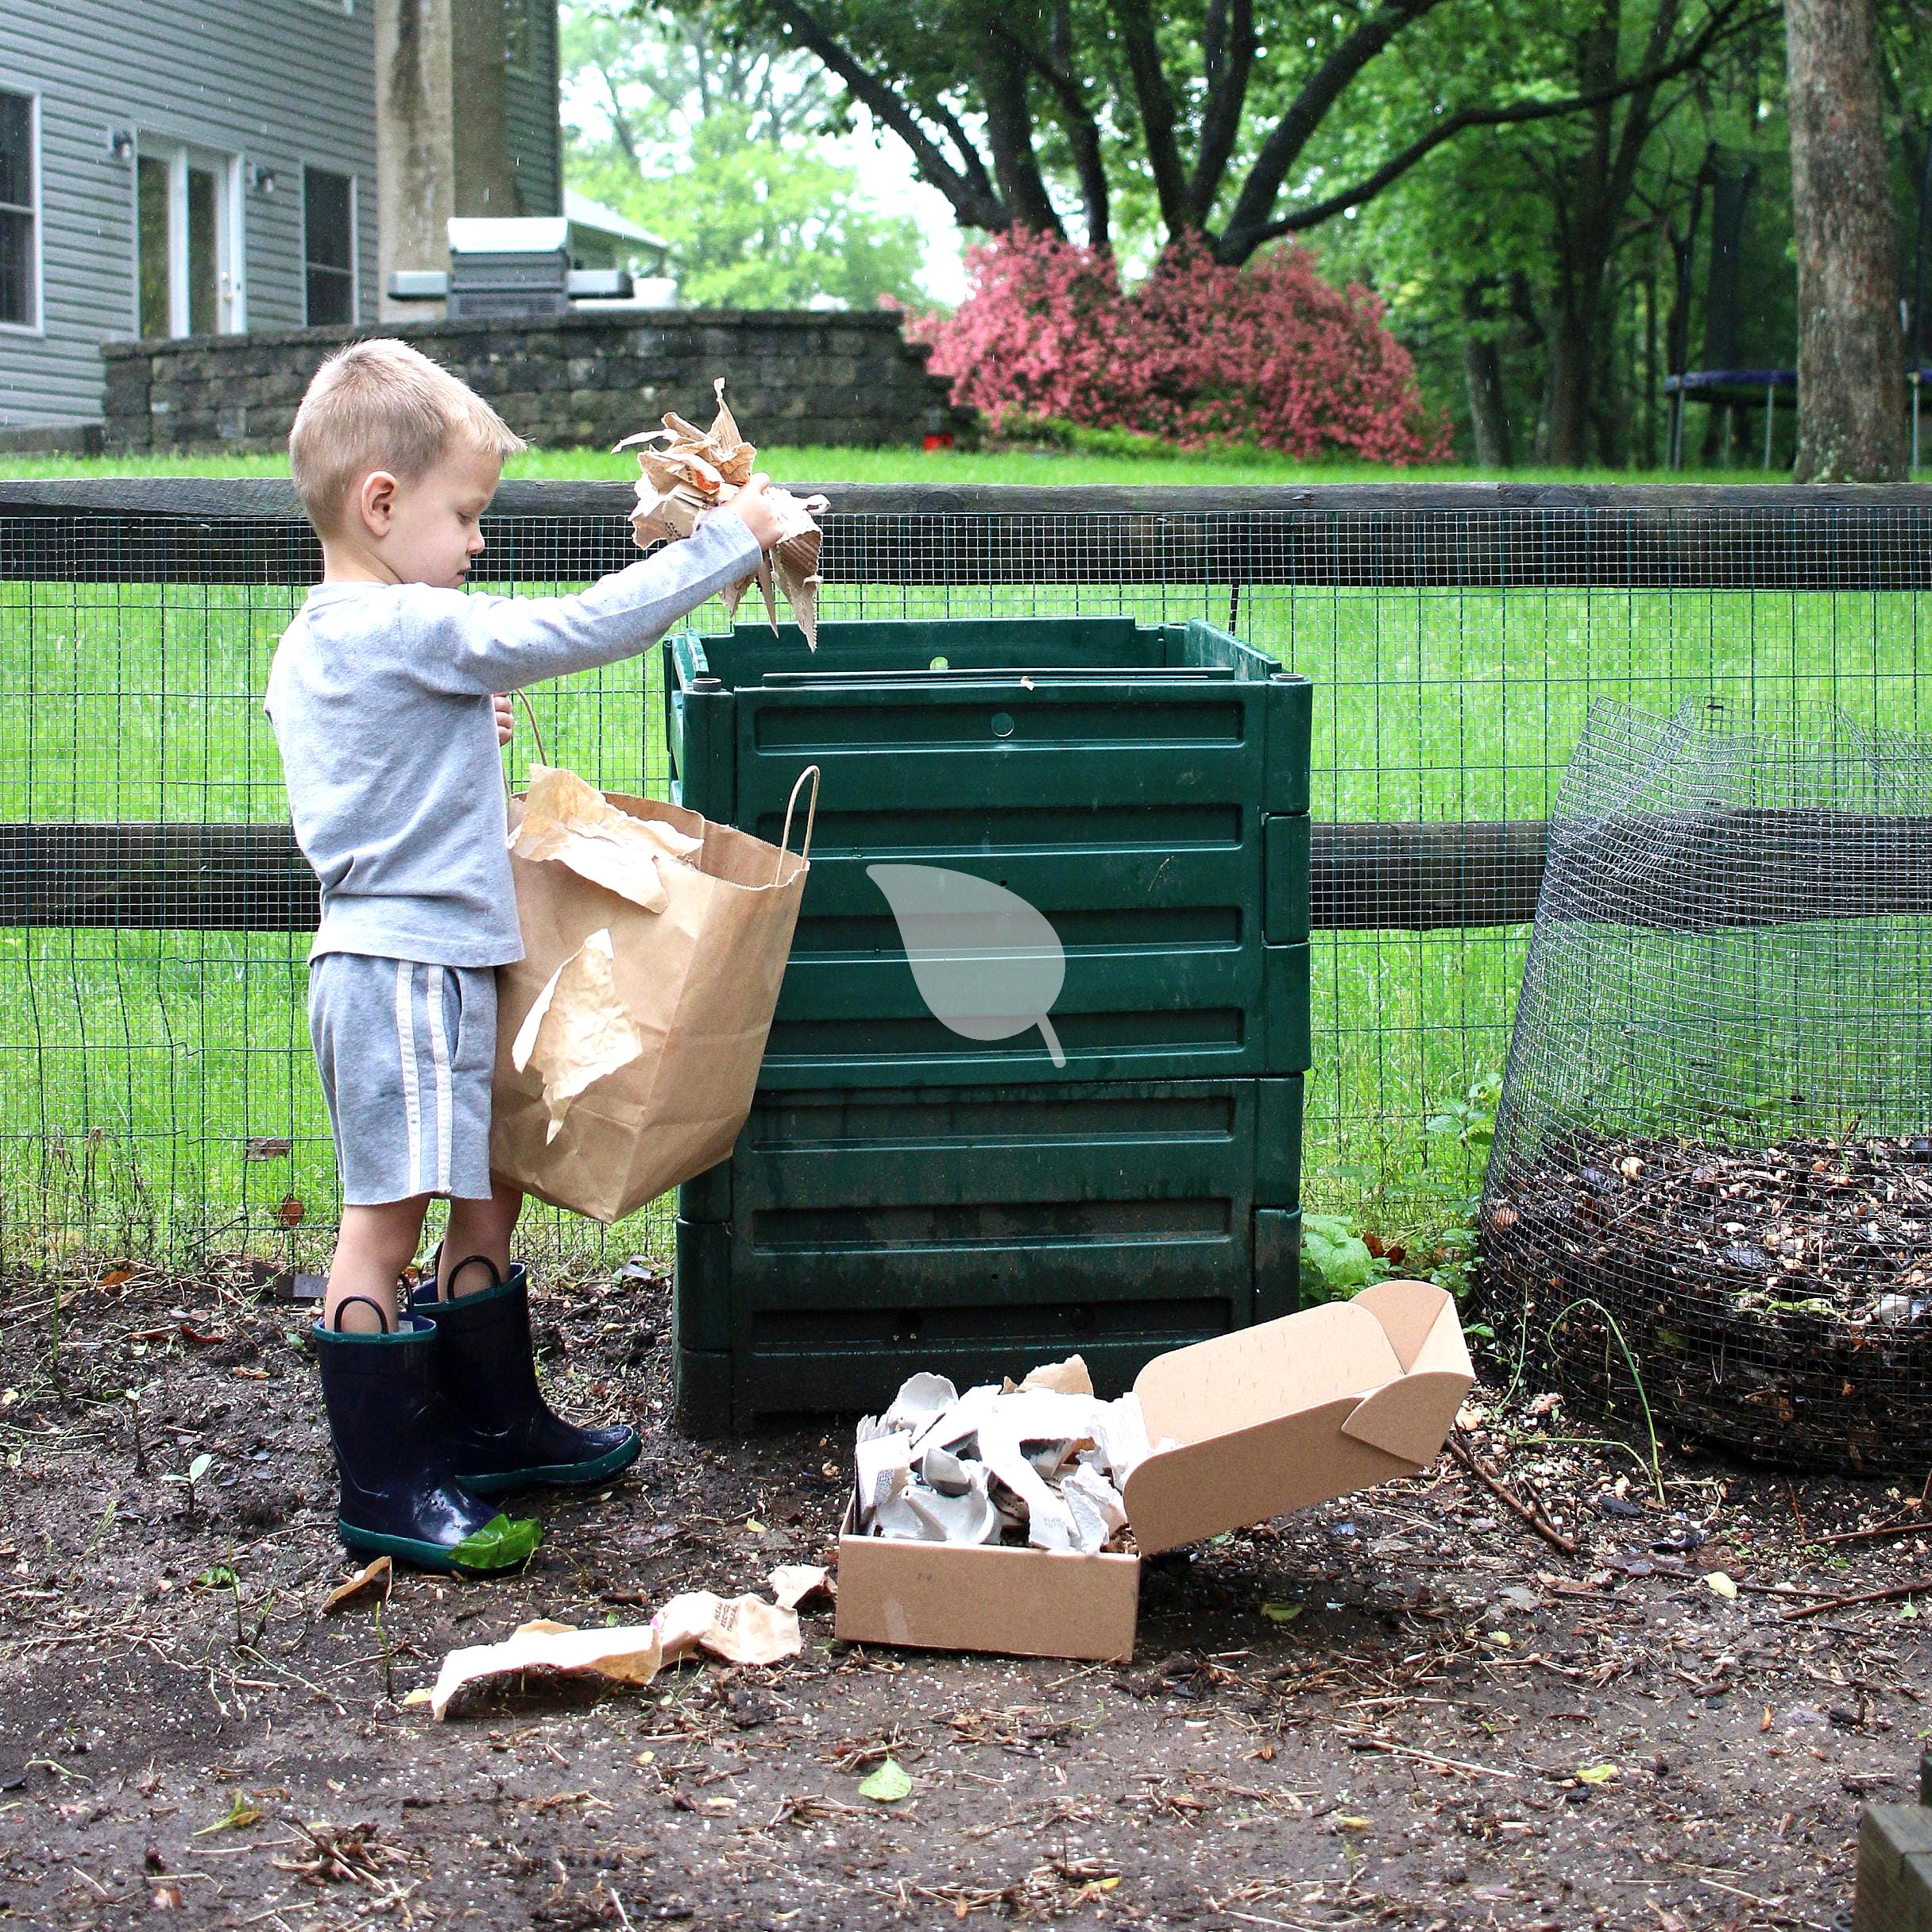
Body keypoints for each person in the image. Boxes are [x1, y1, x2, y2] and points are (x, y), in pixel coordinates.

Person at [265, 338, 785, 1572]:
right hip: (394, 971)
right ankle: (387, 1485)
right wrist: (730, 538)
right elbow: (576, 627)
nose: (478, 545)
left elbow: (374, 754)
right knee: (385, 1224)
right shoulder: (396, 620)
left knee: (489, 1187)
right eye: (465, 515)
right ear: (379, 505)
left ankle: (497, 1427)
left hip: (442, 963)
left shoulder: (355, 640)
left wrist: (458, 724)